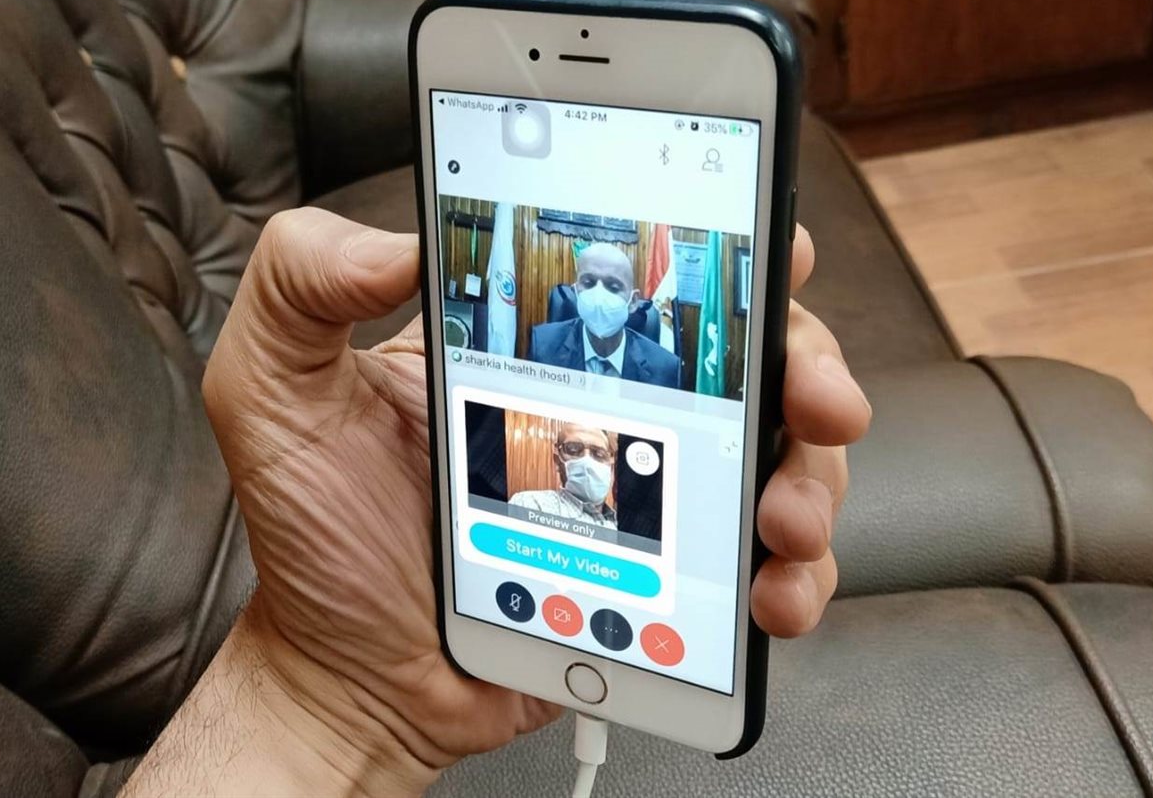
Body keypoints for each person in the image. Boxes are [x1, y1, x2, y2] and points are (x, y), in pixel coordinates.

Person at [121, 208, 871, 797]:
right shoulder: (539, 345)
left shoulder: (666, 363)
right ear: (572, 288)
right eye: (589, 282)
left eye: (617, 286)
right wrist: (319, 687)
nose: (601, 298)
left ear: (639, 296)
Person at [528, 243, 682, 388]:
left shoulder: (665, 368)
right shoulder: (542, 346)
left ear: (633, 302)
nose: (598, 297)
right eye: (588, 283)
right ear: (575, 291)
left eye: (613, 287)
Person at [510, 424, 619, 530]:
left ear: (610, 466)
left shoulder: (621, 524)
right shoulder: (531, 505)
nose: (587, 462)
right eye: (573, 450)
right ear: (558, 461)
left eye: (599, 454)